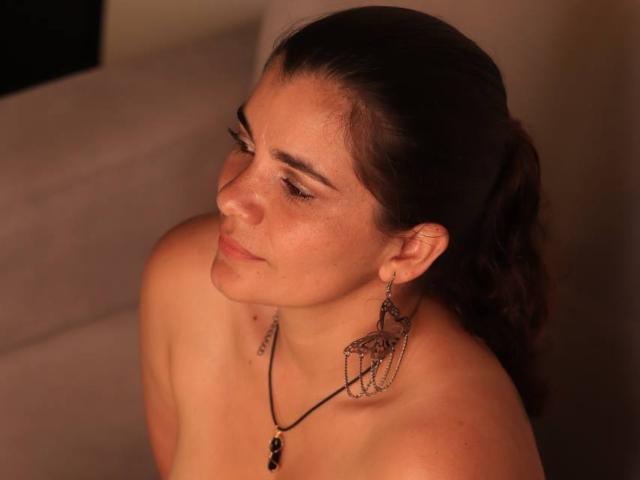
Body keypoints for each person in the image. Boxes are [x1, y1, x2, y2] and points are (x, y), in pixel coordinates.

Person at [139, 5, 549, 479]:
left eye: (296, 188)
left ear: (409, 250)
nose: (230, 198)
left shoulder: (442, 459)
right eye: (246, 145)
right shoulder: (185, 283)